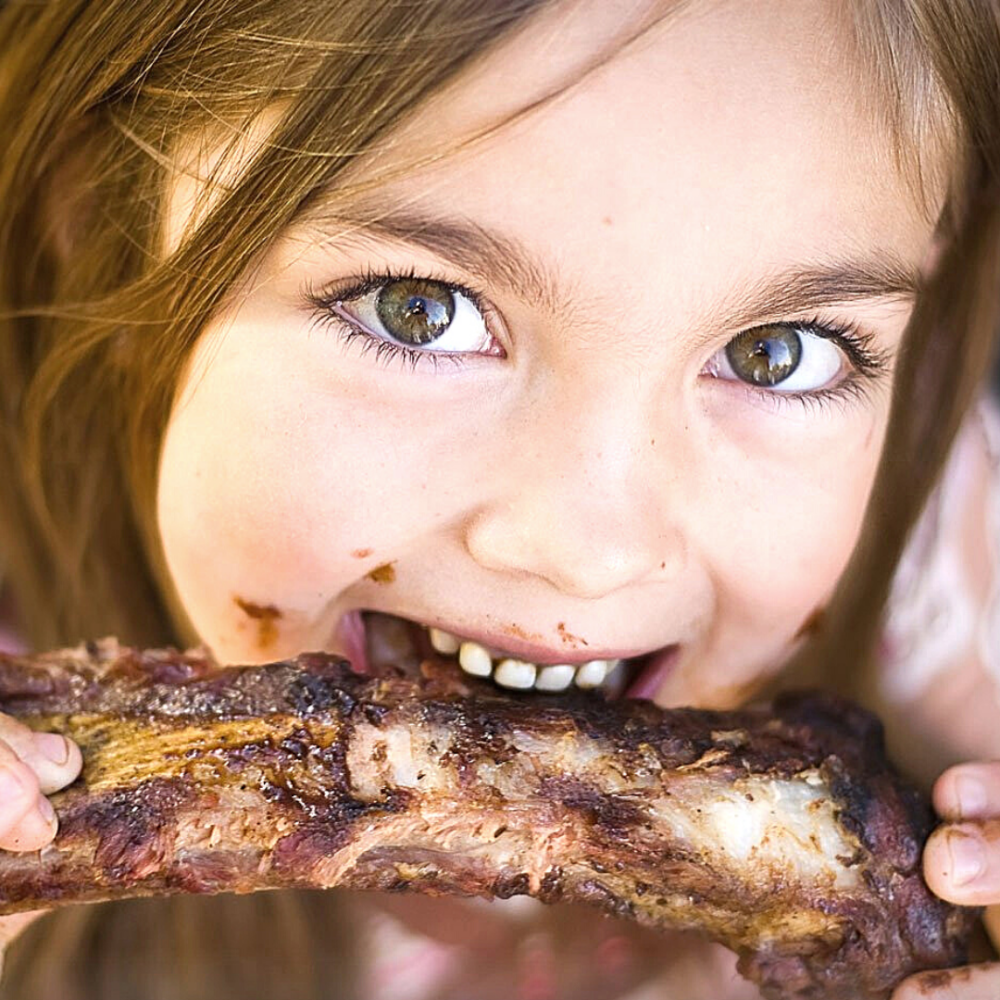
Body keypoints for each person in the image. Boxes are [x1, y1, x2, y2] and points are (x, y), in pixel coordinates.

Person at [0, 1, 998, 997]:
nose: (590, 548)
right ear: (116, 232)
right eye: (418, 311)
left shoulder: (950, 603)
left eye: (775, 355)